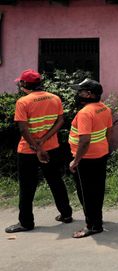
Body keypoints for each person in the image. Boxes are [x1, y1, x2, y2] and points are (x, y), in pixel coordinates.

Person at [5, 69, 73, 233]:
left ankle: (26, 223)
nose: (20, 84)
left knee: (27, 186)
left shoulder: (23, 102)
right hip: (52, 148)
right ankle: (66, 214)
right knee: (55, 180)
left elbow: (23, 129)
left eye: (21, 82)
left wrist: (37, 147)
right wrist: (44, 140)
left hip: (28, 151)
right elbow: (60, 121)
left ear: (25, 84)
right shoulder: (54, 98)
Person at [68, 79, 112, 238]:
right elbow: (108, 132)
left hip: (86, 159)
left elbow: (84, 140)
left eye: (80, 91)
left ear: (89, 94)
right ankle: (97, 219)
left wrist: (76, 160)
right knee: (97, 190)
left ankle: (92, 225)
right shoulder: (104, 109)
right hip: (100, 154)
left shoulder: (85, 113)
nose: (78, 94)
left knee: (86, 193)